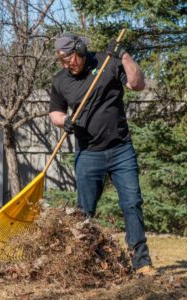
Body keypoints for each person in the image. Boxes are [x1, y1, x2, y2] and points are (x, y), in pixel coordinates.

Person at [49, 32, 155, 275]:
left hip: (121, 149)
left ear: (81, 50)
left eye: (71, 59)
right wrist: (64, 120)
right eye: (63, 61)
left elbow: (137, 84)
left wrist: (124, 56)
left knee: (132, 204)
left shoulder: (107, 62)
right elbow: (54, 112)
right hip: (88, 153)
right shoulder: (60, 81)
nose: (69, 65)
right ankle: (84, 264)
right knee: (84, 211)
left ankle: (142, 263)